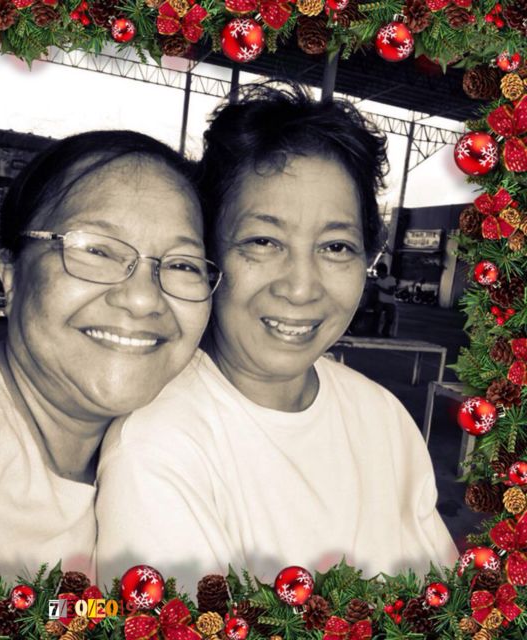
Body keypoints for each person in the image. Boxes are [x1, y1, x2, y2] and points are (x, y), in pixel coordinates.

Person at [96, 85, 458, 594]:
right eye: (263, 241)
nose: (301, 287)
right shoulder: (159, 449)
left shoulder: (385, 419)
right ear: (208, 254)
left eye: (336, 246)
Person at [0, 130, 221, 580]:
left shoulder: (176, 445)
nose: (143, 299)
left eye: (181, 264)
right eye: (96, 249)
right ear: (10, 274)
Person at [374, 262, 398, 337]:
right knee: (376, 311)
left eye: (378, 271)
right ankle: (374, 330)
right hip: (380, 301)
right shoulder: (378, 280)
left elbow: (391, 292)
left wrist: (379, 288)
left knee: (390, 314)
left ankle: (386, 331)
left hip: (390, 302)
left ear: (382, 271)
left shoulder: (391, 279)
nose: (377, 273)